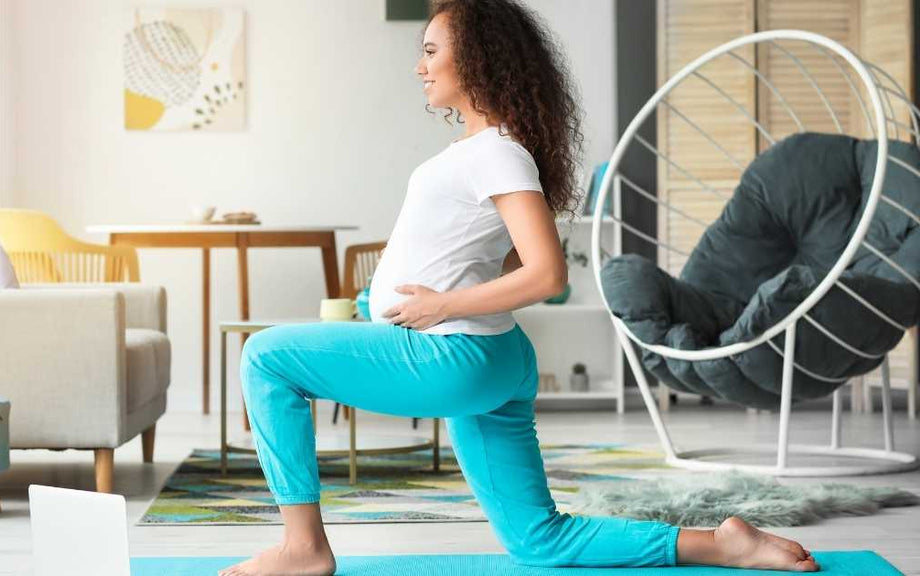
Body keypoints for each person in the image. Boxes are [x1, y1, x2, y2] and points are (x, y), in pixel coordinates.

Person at [219, 1, 819, 574]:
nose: (419, 66)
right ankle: (723, 544)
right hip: (488, 357)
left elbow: (546, 274)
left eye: (431, 51)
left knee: (265, 357)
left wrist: (440, 304)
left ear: (476, 58)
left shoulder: (499, 153)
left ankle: (302, 547)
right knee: (539, 539)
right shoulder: (487, 151)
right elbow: (487, 260)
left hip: (452, 354)